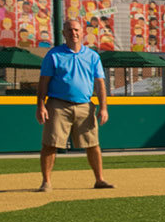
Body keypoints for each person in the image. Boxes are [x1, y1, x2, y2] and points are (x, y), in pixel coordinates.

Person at [35, 18, 113, 192]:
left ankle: (99, 179)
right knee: (50, 143)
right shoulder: (54, 55)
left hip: (85, 105)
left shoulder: (92, 56)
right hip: (57, 105)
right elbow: (43, 82)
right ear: (64, 33)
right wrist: (41, 106)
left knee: (93, 144)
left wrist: (104, 108)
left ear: (82, 32)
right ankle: (46, 181)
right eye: (70, 30)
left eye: (76, 30)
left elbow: (100, 84)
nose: (74, 33)